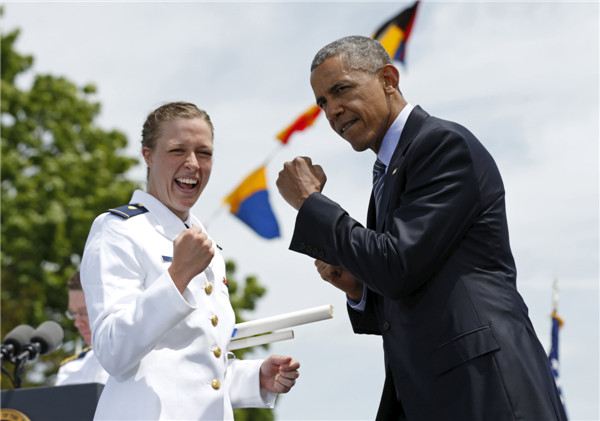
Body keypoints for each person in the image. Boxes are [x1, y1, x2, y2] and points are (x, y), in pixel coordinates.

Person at [276, 35, 566, 421]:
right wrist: (359, 287)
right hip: (437, 393)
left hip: (486, 388)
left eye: (341, 89)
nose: (332, 111)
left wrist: (311, 204)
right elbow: (406, 289)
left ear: (389, 79)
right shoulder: (389, 171)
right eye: (323, 103)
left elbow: (397, 266)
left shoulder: (441, 144)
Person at [81, 101, 300, 420]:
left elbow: (195, 366)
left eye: (204, 152)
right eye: (177, 150)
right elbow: (114, 351)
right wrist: (177, 276)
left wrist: (254, 378)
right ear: (148, 156)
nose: (193, 163)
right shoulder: (117, 230)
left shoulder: (207, 245)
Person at [55, 271, 109, 386]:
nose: (77, 323)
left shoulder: (143, 359)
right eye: (74, 313)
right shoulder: (71, 370)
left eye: (84, 311)